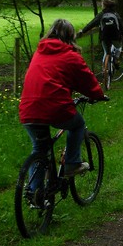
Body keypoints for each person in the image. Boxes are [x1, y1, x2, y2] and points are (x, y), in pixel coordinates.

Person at [19, 19, 105, 177]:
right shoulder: (71, 56)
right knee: (78, 125)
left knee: (40, 150)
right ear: (71, 36)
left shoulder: (38, 53)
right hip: (55, 107)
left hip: (28, 109)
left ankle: (35, 196)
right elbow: (87, 80)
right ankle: (72, 164)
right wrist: (98, 95)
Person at [76, 0, 123, 66]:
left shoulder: (101, 14)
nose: (101, 5)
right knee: (119, 47)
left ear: (105, 6)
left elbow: (92, 24)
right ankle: (116, 59)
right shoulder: (115, 14)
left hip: (104, 37)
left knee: (106, 53)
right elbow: (121, 26)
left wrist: (83, 31)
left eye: (102, 4)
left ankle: (104, 70)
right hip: (115, 36)